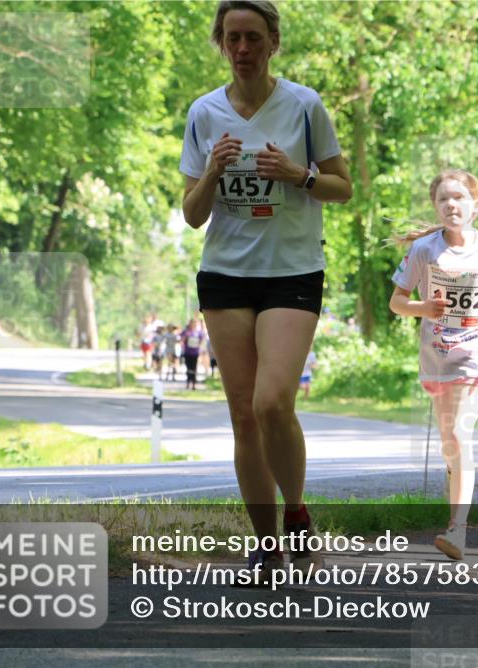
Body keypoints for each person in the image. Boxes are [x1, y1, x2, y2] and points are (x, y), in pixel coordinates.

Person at [179, 0, 352, 578]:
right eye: (233, 38)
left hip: (293, 270)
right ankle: (267, 545)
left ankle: (297, 513)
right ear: (221, 44)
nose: (243, 48)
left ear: (273, 42)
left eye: (254, 37)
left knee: (273, 401)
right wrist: (212, 172)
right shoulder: (203, 113)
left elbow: (343, 188)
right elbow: (192, 215)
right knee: (243, 416)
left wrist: (297, 175)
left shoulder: (304, 106)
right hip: (226, 274)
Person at [389, 169, 478, 561]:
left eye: (460, 197)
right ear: (435, 205)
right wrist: (423, 308)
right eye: (444, 199)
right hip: (437, 353)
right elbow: (397, 301)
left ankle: (457, 530)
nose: (451, 205)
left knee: (460, 434)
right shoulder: (425, 250)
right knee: (449, 442)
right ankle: (455, 509)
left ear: (476, 204)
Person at [181, 319, 206, 390]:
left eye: (194, 323)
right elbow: (182, 340)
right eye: (191, 323)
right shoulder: (186, 332)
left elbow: (202, 339)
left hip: (195, 353)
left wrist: (199, 346)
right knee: (188, 368)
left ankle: (193, 384)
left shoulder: (198, 332)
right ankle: (188, 382)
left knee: (194, 368)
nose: (192, 325)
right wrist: (185, 337)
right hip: (187, 352)